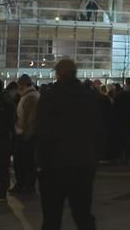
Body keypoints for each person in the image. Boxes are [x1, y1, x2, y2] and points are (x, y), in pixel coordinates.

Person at [36, 59, 105, 230]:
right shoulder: (89, 96)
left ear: (57, 73)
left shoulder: (49, 96)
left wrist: (40, 161)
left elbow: (42, 131)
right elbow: (98, 130)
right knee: (83, 213)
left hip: (54, 164)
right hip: (83, 163)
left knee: (52, 215)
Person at [12, 74, 40, 194]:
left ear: (23, 85)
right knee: (26, 162)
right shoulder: (29, 96)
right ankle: (26, 185)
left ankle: (25, 185)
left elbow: (31, 119)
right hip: (26, 134)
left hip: (25, 135)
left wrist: (24, 134)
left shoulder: (30, 97)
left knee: (24, 162)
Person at [112, 77, 130, 165]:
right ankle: (128, 156)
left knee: (120, 138)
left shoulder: (119, 95)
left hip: (120, 120)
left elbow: (115, 108)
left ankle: (120, 155)